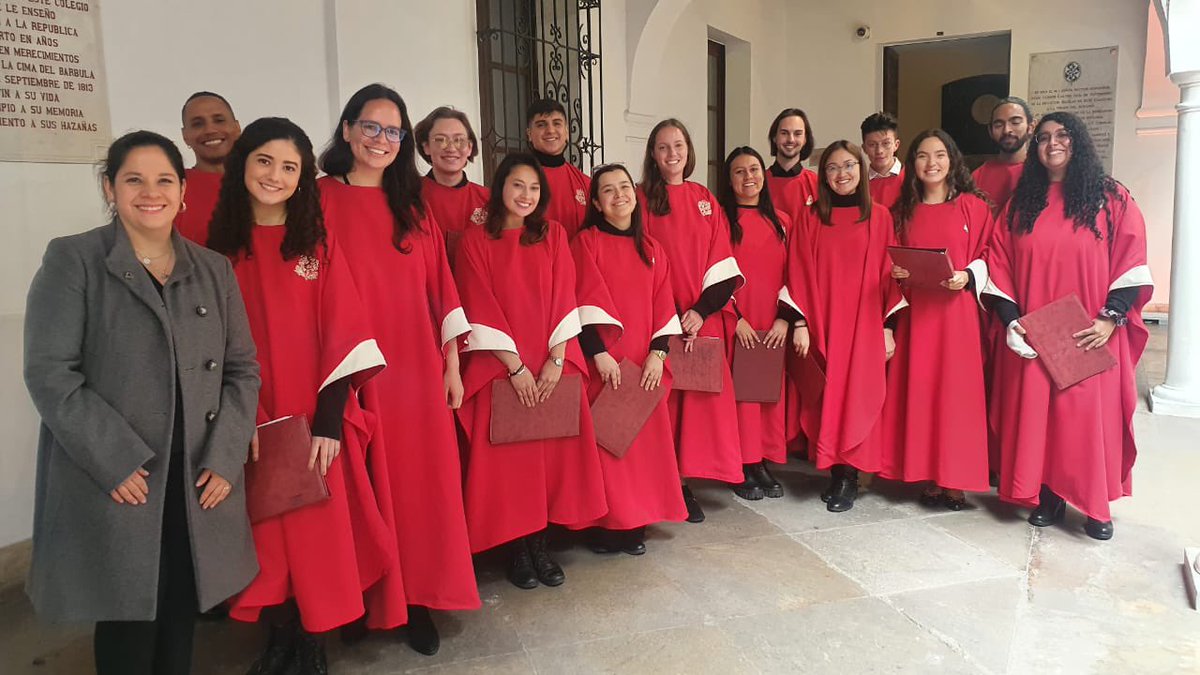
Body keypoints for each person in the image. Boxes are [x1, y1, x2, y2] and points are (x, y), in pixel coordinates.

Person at [24, 130, 260, 675]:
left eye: (164, 181)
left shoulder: (211, 270)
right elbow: (50, 373)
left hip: (196, 474)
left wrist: (224, 457)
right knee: (128, 618)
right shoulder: (75, 260)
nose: (149, 193)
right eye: (133, 179)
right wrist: (114, 459)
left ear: (183, 194)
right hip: (124, 475)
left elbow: (243, 370)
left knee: (181, 608)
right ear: (111, 188)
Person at [207, 117, 405, 673]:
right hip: (248, 416)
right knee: (266, 530)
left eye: (290, 166)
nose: (275, 175)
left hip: (312, 412)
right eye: (265, 161)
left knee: (317, 530)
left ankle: (313, 641)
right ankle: (279, 637)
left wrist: (329, 421)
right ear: (242, 164)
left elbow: (347, 333)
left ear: (303, 179)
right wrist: (234, 418)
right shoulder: (216, 250)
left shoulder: (316, 245)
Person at [318, 83, 479, 655]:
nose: (381, 140)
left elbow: (443, 292)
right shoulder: (318, 200)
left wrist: (453, 367)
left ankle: (418, 601)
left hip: (415, 371)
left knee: (419, 488)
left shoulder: (413, 207)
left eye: (393, 131)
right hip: (351, 372)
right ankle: (364, 600)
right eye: (371, 126)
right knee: (362, 491)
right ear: (347, 130)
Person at [983, 112, 1152, 541]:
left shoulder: (1110, 198)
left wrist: (1110, 317)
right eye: (1042, 138)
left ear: (1078, 142)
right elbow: (998, 262)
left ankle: (1094, 504)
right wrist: (1012, 322)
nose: (1052, 144)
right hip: (1038, 330)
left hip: (1088, 330)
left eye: (1062, 136)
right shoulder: (1023, 203)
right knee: (1042, 417)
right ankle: (1049, 495)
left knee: (1083, 419)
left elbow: (1131, 261)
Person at [453, 153, 607, 588]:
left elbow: (565, 294)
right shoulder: (475, 240)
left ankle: (540, 545)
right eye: (518, 185)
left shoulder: (553, 234)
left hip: (550, 363)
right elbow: (477, 303)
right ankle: (516, 550)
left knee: (547, 459)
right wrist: (516, 367)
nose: (525, 195)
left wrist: (556, 360)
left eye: (534, 188)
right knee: (511, 464)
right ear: (501, 187)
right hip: (502, 366)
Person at [569, 163, 688, 555]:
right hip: (605, 362)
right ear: (598, 204)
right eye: (607, 190)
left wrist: (659, 352)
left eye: (624, 187)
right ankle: (607, 524)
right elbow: (580, 301)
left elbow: (663, 305)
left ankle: (636, 520)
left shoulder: (652, 249)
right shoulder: (585, 243)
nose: (619, 195)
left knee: (641, 446)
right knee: (606, 445)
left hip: (643, 360)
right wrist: (598, 353)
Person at [786, 140, 906, 512]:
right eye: (833, 168)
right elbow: (797, 270)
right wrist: (801, 322)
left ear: (861, 168)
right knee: (827, 394)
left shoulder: (880, 217)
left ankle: (849, 475)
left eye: (849, 165)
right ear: (823, 175)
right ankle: (834, 468)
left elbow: (890, 277)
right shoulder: (809, 218)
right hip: (823, 321)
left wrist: (888, 327)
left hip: (864, 324)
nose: (842, 174)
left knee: (858, 395)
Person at [880, 129, 996, 510]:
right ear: (912, 165)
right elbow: (889, 256)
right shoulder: (903, 212)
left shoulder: (972, 207)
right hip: (917, 316)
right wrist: (895, 272)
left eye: (940, 155)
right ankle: (926, 474)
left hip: (956, 316)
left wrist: (967, 276)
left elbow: (989, 255)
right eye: (923, 156)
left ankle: (955, 479)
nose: (932, 163)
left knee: (955, 396)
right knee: (922, 391)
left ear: (952, 161)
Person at [639, 118, 745, 523]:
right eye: (663, 147)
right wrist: (665, 316)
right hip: (658, 319)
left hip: (698, 320)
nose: (672, 154)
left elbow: (722, 264)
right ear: (652, 153)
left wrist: (701, 311)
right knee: (663, 406)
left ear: (689, 149)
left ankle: (686, 483)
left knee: (695, 409)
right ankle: (664, 484)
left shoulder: (705, 199)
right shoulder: (641, 198)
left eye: (678, 145)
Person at [717, 146, 796, 500]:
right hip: (738, 320)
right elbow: (715, 272)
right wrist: (736, 317)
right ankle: (739, 465)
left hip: (773, 319)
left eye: (754, 169)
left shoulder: (782, 220)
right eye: (739, 171)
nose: (748, 177)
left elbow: (795, 272)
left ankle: (761, 460)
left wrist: (785, 317)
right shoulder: (720, 220)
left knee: (766, 394)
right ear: (729, 180)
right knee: (740, 398)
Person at [415, 106, 490, 264]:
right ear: (426, 146)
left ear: (469, 147)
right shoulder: (410, 197)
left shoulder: (488, 200)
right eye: (440, 140)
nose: (450, 148)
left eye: (459, 140)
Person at [176, 91, 241, 245]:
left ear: (237, 128)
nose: (210, 130)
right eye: (198, 124)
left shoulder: (265, 184)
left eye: (219, 120)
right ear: (185, 136)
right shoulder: (173, 188)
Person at [526, 98, 591, 238]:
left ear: (567, 132)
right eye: (541, 125)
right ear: (529, 134)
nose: (550, 130)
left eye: (557, 123)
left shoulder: (585, 183)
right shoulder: (516, 180)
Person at [973, 97, 1034, 216]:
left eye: (1015, 122)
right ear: (990, 131)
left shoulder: (1043, 171)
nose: (1007, 130)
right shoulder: (977, 177)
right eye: (999, 125)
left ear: (1031, 127)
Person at [765, 108, 819, 222]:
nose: (791, 139)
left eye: (798, 134)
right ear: (774, 137)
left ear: (805, 139)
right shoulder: (760, 183)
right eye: (784, 133)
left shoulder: (817, 183)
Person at [861, 111, 904, 210]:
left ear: (896, 145)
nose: (879, 151)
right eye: (872, 144)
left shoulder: (912, 179)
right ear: (864, 148)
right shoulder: (859, 185)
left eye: (886, 143)